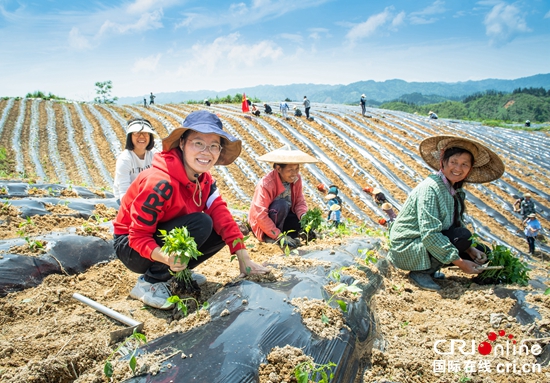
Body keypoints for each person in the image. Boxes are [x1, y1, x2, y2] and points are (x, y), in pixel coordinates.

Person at [112, 111, 270, 309]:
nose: (206, 151)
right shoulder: (160, 182)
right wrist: (165, 258)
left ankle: (175, 270)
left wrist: (244, 259)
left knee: (221, 226)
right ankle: (150, 283)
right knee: (201, 223)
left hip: (159, 237)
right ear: (182, 144)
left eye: (214, 146)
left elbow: (221, 214)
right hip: (130, 246)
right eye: (198, 143)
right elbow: (138, 236)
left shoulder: (204, 180)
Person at [388, 135, 505, 291]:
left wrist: (470, 249)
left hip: (427, 242)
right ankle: (421, 272)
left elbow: (455, 224)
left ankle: (431, 268)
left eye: (464, 164)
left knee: (482, 251)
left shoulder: (453, 190)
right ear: (443, 162)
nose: (458, 168)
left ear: (470, 168)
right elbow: (430, 234)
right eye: (454, 162)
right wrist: (462, 264)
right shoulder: (430, 188)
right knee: (462, 237)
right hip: (409, 247)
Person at [249, 145, 318, 249]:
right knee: (282, 204)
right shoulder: (266, 184)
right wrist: (279, 236)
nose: (294, 173)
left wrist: (303, 216)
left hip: (285, 217)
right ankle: (271, 236)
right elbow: (260, 215)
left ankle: (290, 234)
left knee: (299, 222)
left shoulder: (296, 179)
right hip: (266, 223)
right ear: (278, 169)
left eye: (297, 169)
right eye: (290, 169)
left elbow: (299, 202)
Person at [113, 118, 159, 204]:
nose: (141, 136)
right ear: (130, 136)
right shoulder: (125, 159)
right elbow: (124, 191)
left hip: (146, 196)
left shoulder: (154, 155)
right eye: (137, 133)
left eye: (145, 133)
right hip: (127, 198)